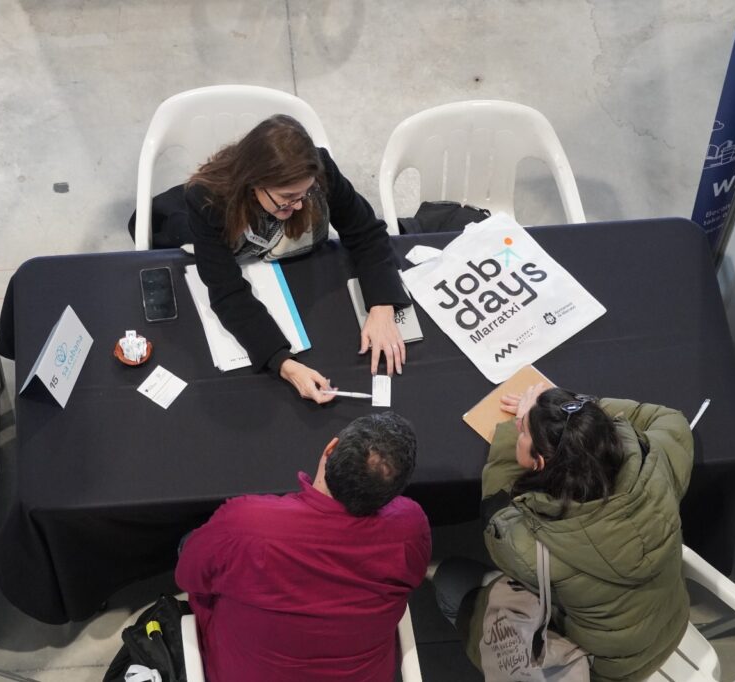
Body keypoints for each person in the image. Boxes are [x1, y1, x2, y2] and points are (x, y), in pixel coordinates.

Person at [432, 384, 693, 682]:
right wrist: (579, 418)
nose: (519, 431)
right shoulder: (659, 462)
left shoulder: (525, 546)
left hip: (606, 669)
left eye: (523, 433)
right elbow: (670, 419)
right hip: (670, 628)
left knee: (449, 580)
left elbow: (496, 512)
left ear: (539, 462)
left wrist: (512, 430)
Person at [175, 412, 431, 682]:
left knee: (190, 546)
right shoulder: (411, 529)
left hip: (237, 667)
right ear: (394, 493)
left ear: (330, 448)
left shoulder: (245, 524)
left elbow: (188, 578)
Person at [176, 114, 410, 403]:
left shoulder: (321, 171)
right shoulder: (206, 199)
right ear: (254, 182)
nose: (299, 205)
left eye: (305, 193)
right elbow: (226, 291)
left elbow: (366, 233)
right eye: (288, 196)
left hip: (300, 270)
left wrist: (381, 306)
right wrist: (283, 363)